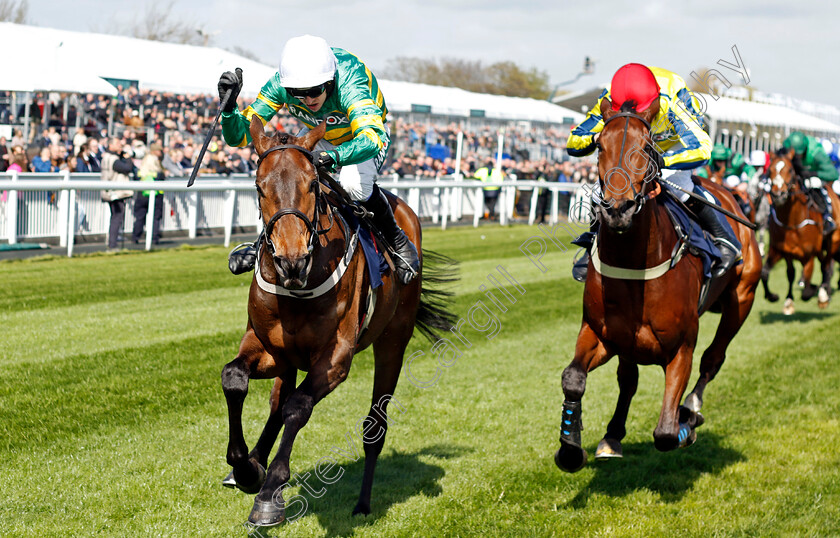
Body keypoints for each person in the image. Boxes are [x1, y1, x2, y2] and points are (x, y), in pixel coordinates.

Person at [217, 34, 420, 284]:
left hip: (363, 138)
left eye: (314, 91)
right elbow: (240, 137)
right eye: (297, 93)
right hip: (320, 136)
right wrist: (228, 109)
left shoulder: (350, 80)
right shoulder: (279, 84)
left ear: (330, 81)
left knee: (353, 186)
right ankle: (264, 244)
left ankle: (396, 237)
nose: (308, 99)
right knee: (285, 175)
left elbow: (371, 138)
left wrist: (334, 156)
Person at [566, 63, 741, 279]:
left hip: (674, 144)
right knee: (600, 189)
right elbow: (573, 142)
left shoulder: (671, 100)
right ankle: (593, 241)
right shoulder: (610, 98)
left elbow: (703, 149)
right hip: (633, 145)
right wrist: (596, 138)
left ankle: (724, 238)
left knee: (681, 188)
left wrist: (662, 160)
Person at [783, 131, 838, 234]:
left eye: (797, 155)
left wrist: (813, 173)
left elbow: (833, 174)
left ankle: (827, 218)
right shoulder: (787, 145)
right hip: (796, 176)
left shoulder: (816, 152)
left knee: (815, 185)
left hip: (814, 178)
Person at [100, 138, 135, 251]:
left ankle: (112, 243)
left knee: (115, 216)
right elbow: (128, 169)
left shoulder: (107, 157)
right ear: (110, 145)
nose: (120, 146)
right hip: (115, 192)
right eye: (118, 144)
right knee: (117, 217)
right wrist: (128, 158)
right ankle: (112, 244)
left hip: (110, 190)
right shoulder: (113, 159)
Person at [132, 142, 166, 245]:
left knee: (140, 216)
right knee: (155, 217)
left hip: (142, 192)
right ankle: (154, 238)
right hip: (155, 193)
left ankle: (135, 237)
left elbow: (138, 176)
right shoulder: (155, 161)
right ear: (155, 151)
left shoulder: (144, 162)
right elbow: (160, 175)